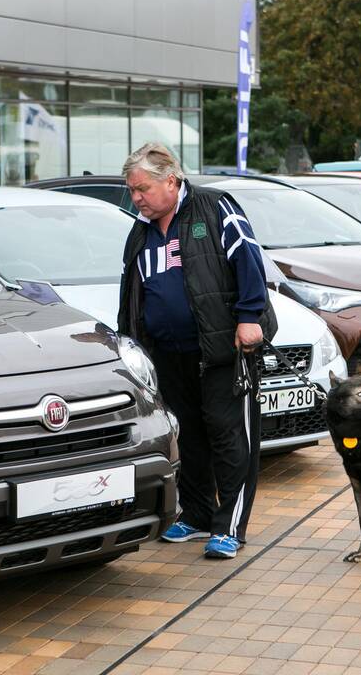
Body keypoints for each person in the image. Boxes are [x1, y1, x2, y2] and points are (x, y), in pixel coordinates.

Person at [117, 143, 276, 559]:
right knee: (188, 437)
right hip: (169, 354)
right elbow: (132, 293)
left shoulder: (213, 207)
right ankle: (198, 514)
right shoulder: (141, 231)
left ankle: (230, 525)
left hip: (222, 349)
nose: (136, 197)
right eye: (131, 190)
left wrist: (249, 316)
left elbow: (248, 259)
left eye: (142, 189)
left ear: (171, 180)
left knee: (228, 436)